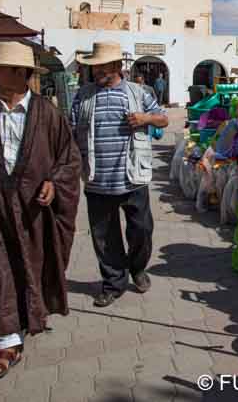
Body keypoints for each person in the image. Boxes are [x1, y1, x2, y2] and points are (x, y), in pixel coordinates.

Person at [0, 42, 81, 383]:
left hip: (32, 211)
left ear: (21, 74)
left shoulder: (48, 114)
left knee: (32, 265)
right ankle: (6, 346)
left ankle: (29, 317)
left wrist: (54, 182)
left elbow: (69, 159)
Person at [71, 41, 169, 307]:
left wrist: (146, 119)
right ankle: (113, 282)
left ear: (117, 66)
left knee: (142, 230)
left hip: (132, 177)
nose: (98, 71)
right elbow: (70, 131)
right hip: (96, 180)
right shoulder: (83, 96)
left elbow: (163, 119)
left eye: (103, 66)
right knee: (104, 237)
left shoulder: (138, 92)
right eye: (95, 67)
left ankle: (137, 268)